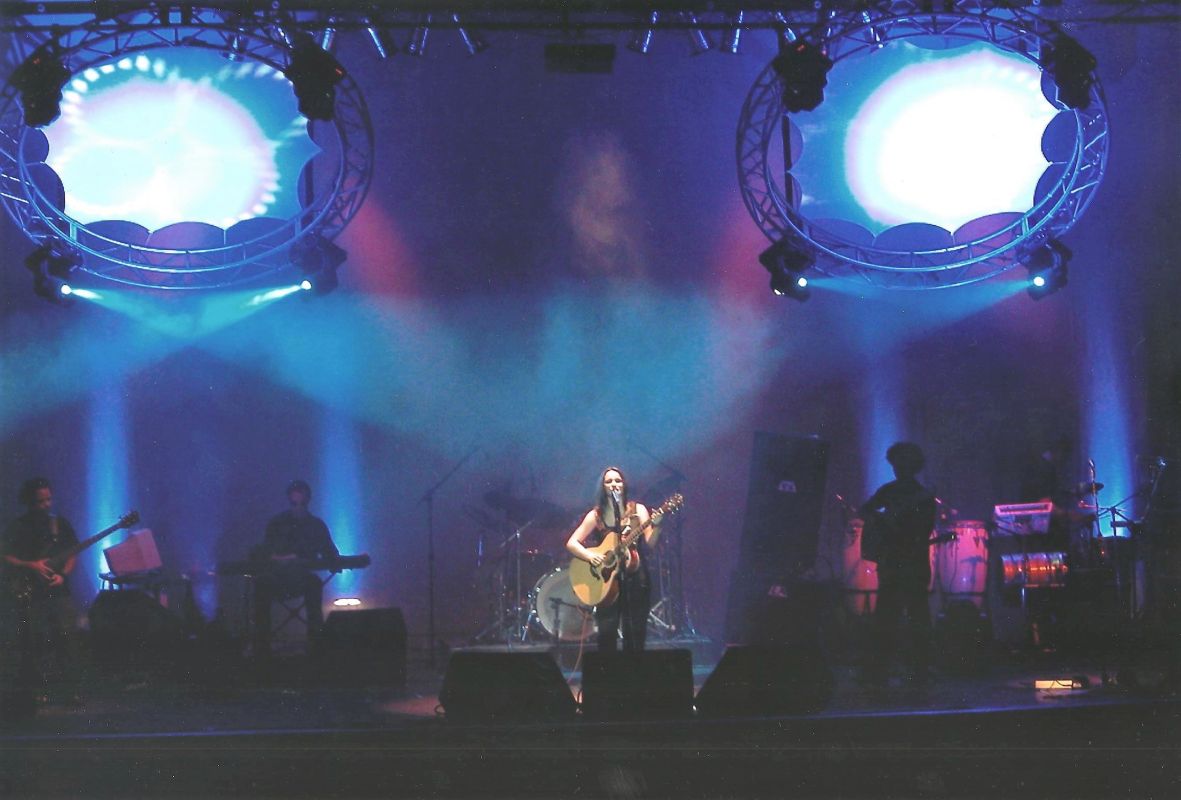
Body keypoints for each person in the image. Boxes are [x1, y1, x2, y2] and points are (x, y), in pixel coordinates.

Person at [858, 443, 937, 687]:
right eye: (895, 464)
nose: (896, 468)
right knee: (896, 615)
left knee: (905, 615)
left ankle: (909, 670)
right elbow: (865, 511)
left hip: (908, 562)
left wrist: (888, 527)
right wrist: (881, 522)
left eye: (900, 463)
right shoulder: (890, 491)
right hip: (897, 562)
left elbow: (921, 532)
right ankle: (891, 670)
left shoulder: (923, 498)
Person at [0, 478, 82, 714]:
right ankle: (37, 692)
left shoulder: (59, 524)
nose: (46, 504)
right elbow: (5, 556)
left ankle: (71, 691)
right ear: (28, 501)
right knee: (35, 643)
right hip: (31, 594)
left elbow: (72, 553)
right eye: (40, 501)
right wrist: (31, 565)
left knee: (67, 640)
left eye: (48, 499)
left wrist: (63, 575)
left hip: (59, 592)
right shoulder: (18, 526)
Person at [566, 467, 662, 652]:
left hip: (635, 577)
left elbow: (650, 542)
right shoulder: (596, 515)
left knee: (635, 631)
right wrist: (590, 555)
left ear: (624, 484)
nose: (614, 485)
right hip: (606, 580)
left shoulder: (638, 510)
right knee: (606, 632)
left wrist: (657, 525)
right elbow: (572, 543)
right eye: (608, 482)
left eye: (617, 480)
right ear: (602, 487)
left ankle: (634, 667)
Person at [251, 479, 338, 657]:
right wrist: (284, 559)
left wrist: (335, 561)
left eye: (302, 503)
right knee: (261, 585)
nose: (298, 507)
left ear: (308, 501)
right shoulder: (277, 523)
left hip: (301, 579)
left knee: (313, 583)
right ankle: (262, 646)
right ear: (289, 501)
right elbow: (265, 551)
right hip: (277, 578)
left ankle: (315, 644)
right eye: (294, 503)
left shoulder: (316, 525)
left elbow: (330, 552)